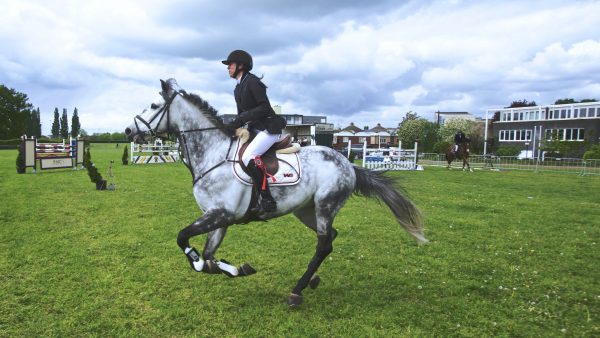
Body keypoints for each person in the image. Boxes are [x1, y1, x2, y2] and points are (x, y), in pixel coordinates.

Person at [223, 50, 286, 214]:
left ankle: (267, 199)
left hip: (269, 129)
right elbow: (240, 116)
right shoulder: (237, 88)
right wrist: (233, 127)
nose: (228, 67)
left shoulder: (253, 82)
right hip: (254, 130)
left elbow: (265, 107)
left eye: (230, 64)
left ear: (241, 65)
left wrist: (241, 118)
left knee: (247, 156)